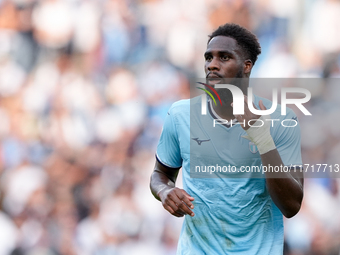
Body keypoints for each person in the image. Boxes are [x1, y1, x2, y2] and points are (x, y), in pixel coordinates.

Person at [150, 23, 303, 255]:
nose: (212, 64)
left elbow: (291, 206)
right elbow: (160, 174)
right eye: (208, 57)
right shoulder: (180, 115)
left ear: (247, 66)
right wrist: (164, 192)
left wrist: (261, 137)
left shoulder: (282, 119)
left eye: (224, 57)